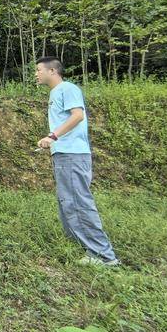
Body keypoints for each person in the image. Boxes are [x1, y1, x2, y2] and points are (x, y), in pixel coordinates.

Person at [35, 57, 119, 267]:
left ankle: (103, 255)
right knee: (67, 201)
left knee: (78, 201)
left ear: (52, 71)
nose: (36, 74)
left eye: (39, 70)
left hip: (72, 154)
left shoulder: (67, 88)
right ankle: (84, 244)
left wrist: (52, 136)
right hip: (64, 153)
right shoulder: (56, 93)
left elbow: (78, 116)